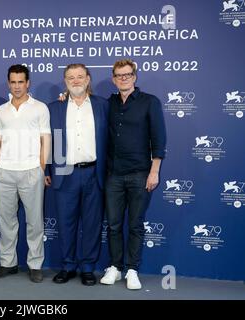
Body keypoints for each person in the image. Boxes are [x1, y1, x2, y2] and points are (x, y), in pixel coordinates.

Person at [100, 59, 166, 290]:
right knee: (114, 225)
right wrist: (63, 98)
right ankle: (116, 267)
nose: (123, 78)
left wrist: (154, 172)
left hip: (140, 174)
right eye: (119, 75)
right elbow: (83, 106)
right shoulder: (108, 103)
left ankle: (132, 269)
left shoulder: (150, 102)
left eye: (127, 75)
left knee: (136, 225)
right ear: (113, 79)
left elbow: (159, 139)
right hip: (114, 175)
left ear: (135, 77)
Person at [46, 64, 108, 286]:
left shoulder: (103, 105)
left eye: (80, 76)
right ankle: (68, 266)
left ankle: (88, 268)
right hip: (65, 171)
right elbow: (46, 142)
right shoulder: (54, 108)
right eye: (70, 77)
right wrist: (46, 169)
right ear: (65, 82)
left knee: (92, 223)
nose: (76, 81)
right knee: (66, 222)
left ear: (88, 79)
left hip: (94, 171)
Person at [0, 64, 51, 283]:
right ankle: (8, 263)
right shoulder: (1, 110)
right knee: (6, 221)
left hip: (31, 172)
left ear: (28, 83)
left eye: (21, 82)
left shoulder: (40, 108)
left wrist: (41, 167)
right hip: (4, 172)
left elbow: (46, 139)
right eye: (13, 82)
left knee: (35, 222)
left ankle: (35, 265)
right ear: (9, 83)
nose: (17, 86)